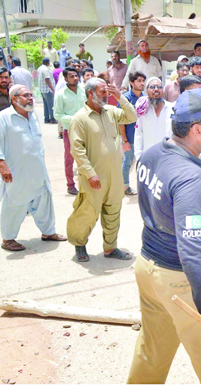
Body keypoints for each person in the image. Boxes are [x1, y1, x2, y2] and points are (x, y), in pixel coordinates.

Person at [127, 88, 201, 384]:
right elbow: (192, 253)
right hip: (181, 281)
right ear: (198, 129)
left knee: (152, 353)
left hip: (150, 268)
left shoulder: (151, 154)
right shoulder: (191, 180)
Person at [67, 78, 137, 262]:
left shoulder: (112, 112)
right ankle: (80, 245)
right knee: (87, 212)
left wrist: (120, 97)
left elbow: (132, 116)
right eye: (102, 92)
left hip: (114, 176)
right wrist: (90, 173)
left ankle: (110, 248)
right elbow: (77, 149)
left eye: (107, 92)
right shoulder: (79, 118)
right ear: (90, 93)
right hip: (93, 177)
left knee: (113, 212)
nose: (106, 95)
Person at [0, 84, 67, 251]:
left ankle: (48, 232)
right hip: (17, 170)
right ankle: (8, 238)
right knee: (15, 203)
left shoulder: (32, 115)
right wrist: (2, 165)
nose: (30, 98)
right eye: (25, 95)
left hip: (37, 168)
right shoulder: (4, 117)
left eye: (31, 94)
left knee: (44, 200)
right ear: (14, 99)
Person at [54, 66, 85, 195]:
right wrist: (74, 118)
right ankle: (70, 185)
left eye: (76, 75)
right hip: (70, 130)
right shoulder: (61, 95)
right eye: (71, 76)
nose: (75, 78)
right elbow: (57, 114)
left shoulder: (84, 90)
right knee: (69, 159)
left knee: (87, 156)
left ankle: (86, 184)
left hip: (86, 129)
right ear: (65, 78)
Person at [134, 78, 173, 161]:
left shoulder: (171, 109)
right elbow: (138, 135)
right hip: (148, 157)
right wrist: (138, 157)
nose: (156, 89)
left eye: (159, 87)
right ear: (147, 91)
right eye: (152, 87)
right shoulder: (143, 110)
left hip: (167, 157)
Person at [120, 71, 146, 196]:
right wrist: (124, 141)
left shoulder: (145, 98)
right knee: (128, 163)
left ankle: (143, 189)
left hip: (143, 138)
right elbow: (120, 122)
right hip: (130, 137)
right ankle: (125, 187)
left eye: (143, 81)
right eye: (139, 81)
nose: (142, 83)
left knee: (144, 163)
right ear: (131, 83)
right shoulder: (125, 99)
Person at [37, 58, 56, 124]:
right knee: (51, 105)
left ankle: (46, 118)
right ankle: (52, 118)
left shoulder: (40, 68)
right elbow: (47, 79)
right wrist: (52, 89)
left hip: (42, 89)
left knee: (46, 105)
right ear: (48, 63)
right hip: (48, 90)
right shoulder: (46, 70)